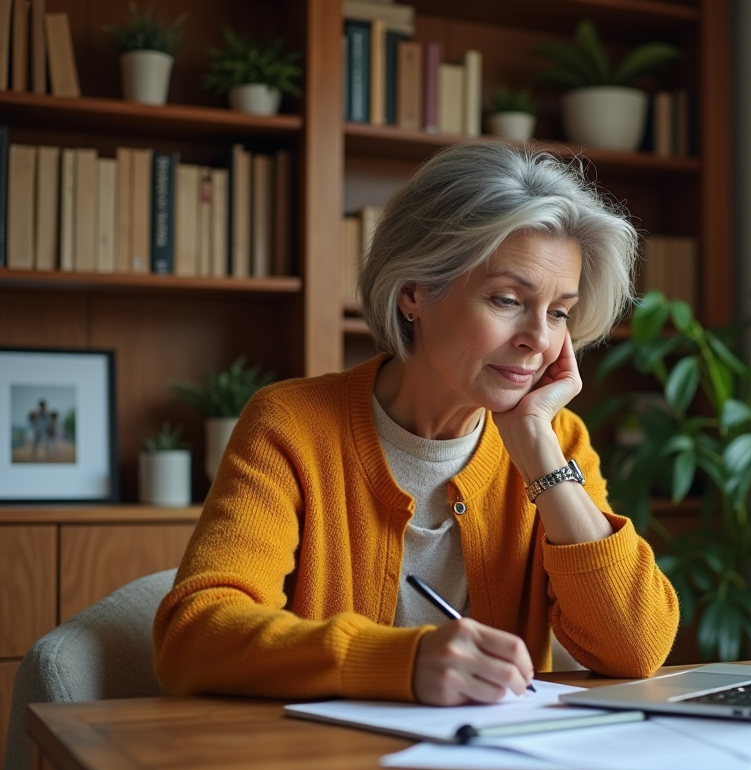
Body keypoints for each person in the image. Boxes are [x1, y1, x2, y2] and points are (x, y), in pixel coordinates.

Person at [153, 142, 680, 707]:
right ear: (413, 294)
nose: (540, 340)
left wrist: (541, 456)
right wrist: (400, 662)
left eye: (559, 313)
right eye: (507, 300)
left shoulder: (559, 439)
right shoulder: (291, 426)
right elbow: (194, 636)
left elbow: (636, 647)